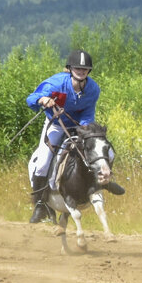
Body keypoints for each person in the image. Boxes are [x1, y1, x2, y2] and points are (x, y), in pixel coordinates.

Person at [26, 49, 106, 223]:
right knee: (42, 163)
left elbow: (88, 113)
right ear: (70, 68)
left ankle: (99, 184)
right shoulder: (56, 84)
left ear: (89, 71)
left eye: (85, 69)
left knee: (96, 151)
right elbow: (31, 98)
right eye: (77, 68)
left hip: (79, 127)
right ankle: (40, 206)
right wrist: (43, 100)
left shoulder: (93, 89)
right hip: (56, 125)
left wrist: (84, 130)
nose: (81, 71)